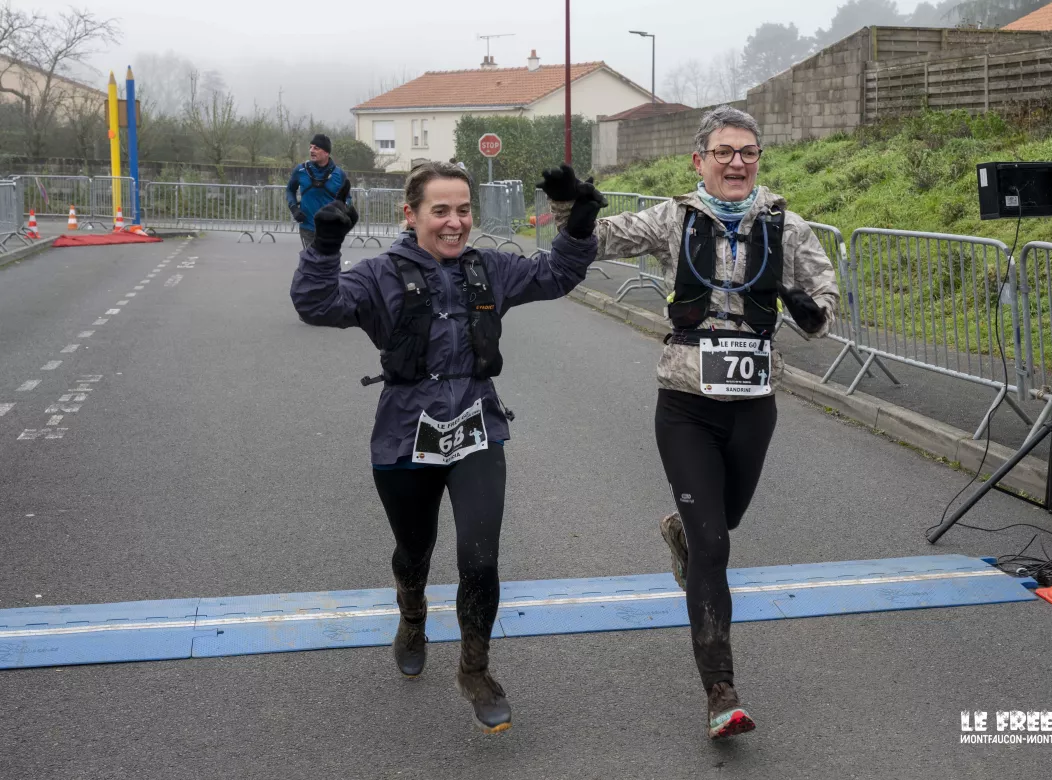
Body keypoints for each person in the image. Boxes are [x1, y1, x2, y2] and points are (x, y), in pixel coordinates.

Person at [541, 105, 839, 740]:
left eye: (748, 152)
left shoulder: (787, 226)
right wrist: (571, 206)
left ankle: (683, 529)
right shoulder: (673, 218)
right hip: (685, 402)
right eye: (724, 152)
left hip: (754, 401)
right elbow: (594, 240)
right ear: (699, 161)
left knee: (725, 521)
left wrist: (809, 309)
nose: (737, 163)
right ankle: (721, 692)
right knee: (715, 547)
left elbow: (824, 306)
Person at [290, 161, 605, 733]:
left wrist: (578, 224)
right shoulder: (380, 274)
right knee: (414, 550)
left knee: (480, 558)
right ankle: (412, 613)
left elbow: (556, 274)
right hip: (404, 432)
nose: (455, 222)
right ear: (410, 215)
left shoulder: (489, 268)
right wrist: (324, 245)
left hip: (476, 425)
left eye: (463, 210)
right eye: (440, 211)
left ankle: (474, 669)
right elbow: (317, 305)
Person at [286, 134, 351, 250]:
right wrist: (294, 209)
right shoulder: (301, 170)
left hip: (331, 230)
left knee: (328, 260)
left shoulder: (339, 174)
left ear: (326, 152)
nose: (311, 151)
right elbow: (290, 190)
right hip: (308, 227)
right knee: (312, 259)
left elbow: (347, 198)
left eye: (316, 148)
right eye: (310, 147)